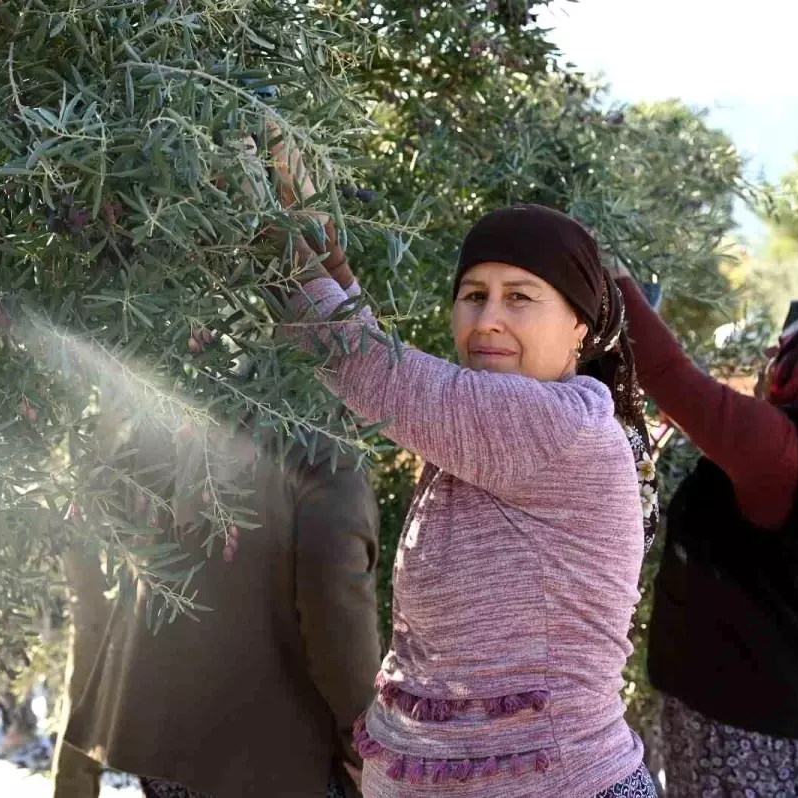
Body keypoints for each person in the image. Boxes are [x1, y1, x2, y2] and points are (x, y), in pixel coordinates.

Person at [277, 188, 659, 795]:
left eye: (521, 298)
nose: (487, 321)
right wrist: (327, 260)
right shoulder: (488, 429)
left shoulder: (561, 426)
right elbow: (386, 368)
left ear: (580, 326)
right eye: (473, 296)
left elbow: (372, 371)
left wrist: (259, 224)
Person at [610, 266, 798, 797]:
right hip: (764, 704)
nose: (768, 359)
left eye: (785, 352)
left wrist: (614, 282)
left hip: (738, 715)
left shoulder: (776, 449)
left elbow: (669, 376)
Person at [52, 422, 383, 798]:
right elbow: (337, 620)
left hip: (166, 744)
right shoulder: (325, 454)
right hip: (274, 762)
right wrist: (365, 746)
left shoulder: (190, 409)